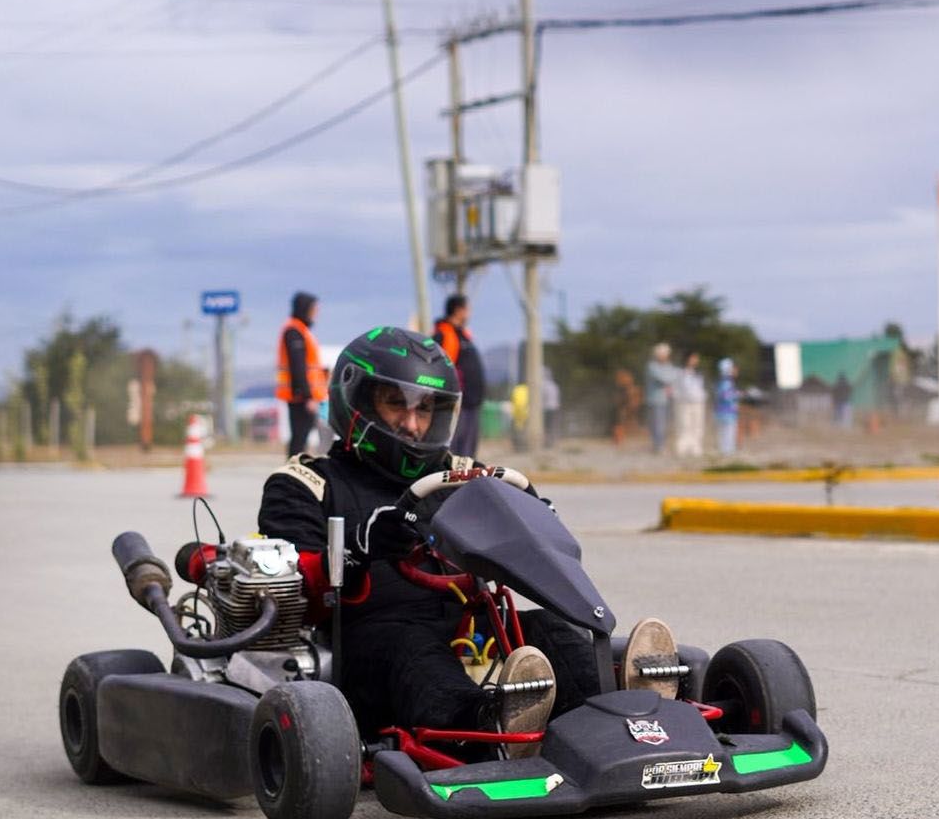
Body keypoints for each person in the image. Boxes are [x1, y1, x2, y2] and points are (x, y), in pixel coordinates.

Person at [256, 326, 677, 754]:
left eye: (426, 409)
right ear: (358, 403)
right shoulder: (306, 484)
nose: (413, 424)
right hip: (364, 648)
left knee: (548, 629)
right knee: (411, 646)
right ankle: (488, 726)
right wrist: (362, 548)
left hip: (471, 631)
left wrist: (536, 519)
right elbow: (296, 591)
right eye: (395, 405)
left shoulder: (463, 474)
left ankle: (625, 709)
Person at [276, 292, 328, 457]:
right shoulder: (294, 331)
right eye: (314, 309)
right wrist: (307, 396)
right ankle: (292, 473)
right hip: (301, 397)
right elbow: (297, 367)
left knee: (302, 438)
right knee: (299, 439)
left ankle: (296, 469)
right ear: (304, 309)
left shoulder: (301, 331)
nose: (316, 313)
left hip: (306, 396)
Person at [434, 294, 485, 458]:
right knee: (454, 449)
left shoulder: (463, 335)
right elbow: (440, 368)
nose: (469, 313)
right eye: (467, 309)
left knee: (468, 452)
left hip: (471, 403)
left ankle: (466, 481)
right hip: (456, 404)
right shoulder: (444, 335)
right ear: (458, 310)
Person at [673, 352, 706, 457]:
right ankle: (682, 448)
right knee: (684, 425)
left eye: (696, 358)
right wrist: (679, 398)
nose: (695, 360)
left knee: (697, 425)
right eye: (693, 358)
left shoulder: (699, 373)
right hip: (684, 403)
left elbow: (700, 388)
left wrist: (702, 397)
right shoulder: (680, 372)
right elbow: (676, 388)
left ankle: (695, 447)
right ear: (687, 359)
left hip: (697, 403)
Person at [644, 343, 675, 453]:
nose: (665, 356)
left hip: (667, 399)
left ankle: (662, 444)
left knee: (665, 424)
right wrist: (670, 378)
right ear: (657, 355)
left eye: (666, 354)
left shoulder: (669, 365)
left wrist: (670, 378)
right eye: (663, 354)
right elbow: (664, 378)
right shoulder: (652, 366)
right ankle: (658, 446)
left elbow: (674, 376)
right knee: (657, 425)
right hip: (655, 400)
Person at [715, 357, 740, 456]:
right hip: (727, 413)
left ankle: (726, 451)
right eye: (733, 368)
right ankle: (727, 452)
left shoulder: (723, 382)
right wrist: (738, 395)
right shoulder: (726, 382)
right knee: (727, 433)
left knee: (726, 433)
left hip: (724, 412)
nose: (736, 370)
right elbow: (725, 396)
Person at [612, 369, 640, 445]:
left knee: (622, 420)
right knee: (619, 420)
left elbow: (635, 400)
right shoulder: (619, 390)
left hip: (627, 407)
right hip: (622, 407)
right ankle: (618, 438)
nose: (627, 380)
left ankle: (620, 437)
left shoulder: (633, 389)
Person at [541, 367, 561, 449]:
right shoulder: (554, 385)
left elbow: (542, 398)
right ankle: (551, 442)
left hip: (546, 408)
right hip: (554, 408)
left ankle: (548, 443)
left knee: (546, 427)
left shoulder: (543, 385)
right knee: (552, 426)